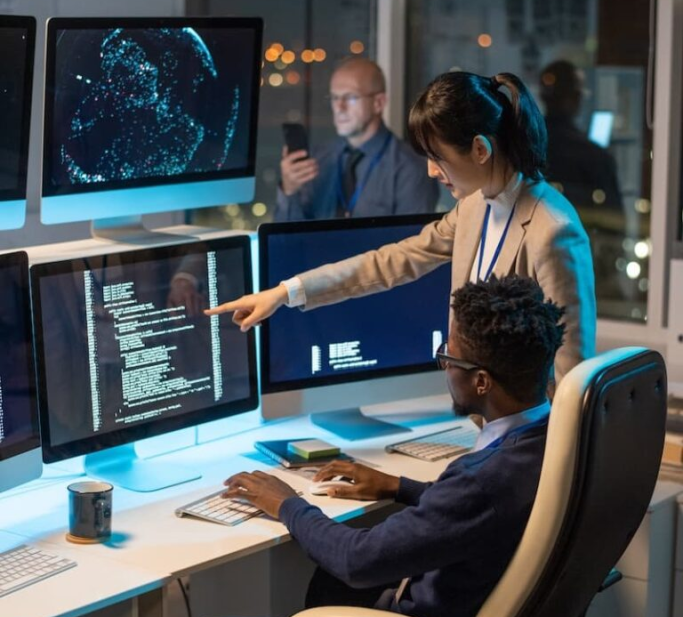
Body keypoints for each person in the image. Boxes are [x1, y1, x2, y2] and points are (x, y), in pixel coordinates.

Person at [170, 276, 585, 617]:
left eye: (448, 357)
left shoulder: (482, 479)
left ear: (481, 381)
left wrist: (286, 503)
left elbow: (358, 557)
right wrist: (396, 487)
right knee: (329, 589)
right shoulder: (550, 442)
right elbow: (485, 517)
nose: (443, 366)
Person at [208, 70, 596, 385]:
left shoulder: (552, 229)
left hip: (529, 442)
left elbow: (572, 376)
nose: (430, 171)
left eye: (436, 157)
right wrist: (284, 293)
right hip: (486, 425)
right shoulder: (474, 208)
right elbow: (391, 261)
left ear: (480, 149)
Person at [274, 56, 438, 220]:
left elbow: (415, 243)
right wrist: (289, 190)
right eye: (334, 98)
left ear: (378, 103)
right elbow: (287, 238)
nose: (339, 107)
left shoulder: (410, 168)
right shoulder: (318, 159)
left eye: (351, 97)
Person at [539, 60, 623, 217]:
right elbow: (614, 222)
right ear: (577, 97)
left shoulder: (520, 148)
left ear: (542, 96)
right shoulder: (595, 157)